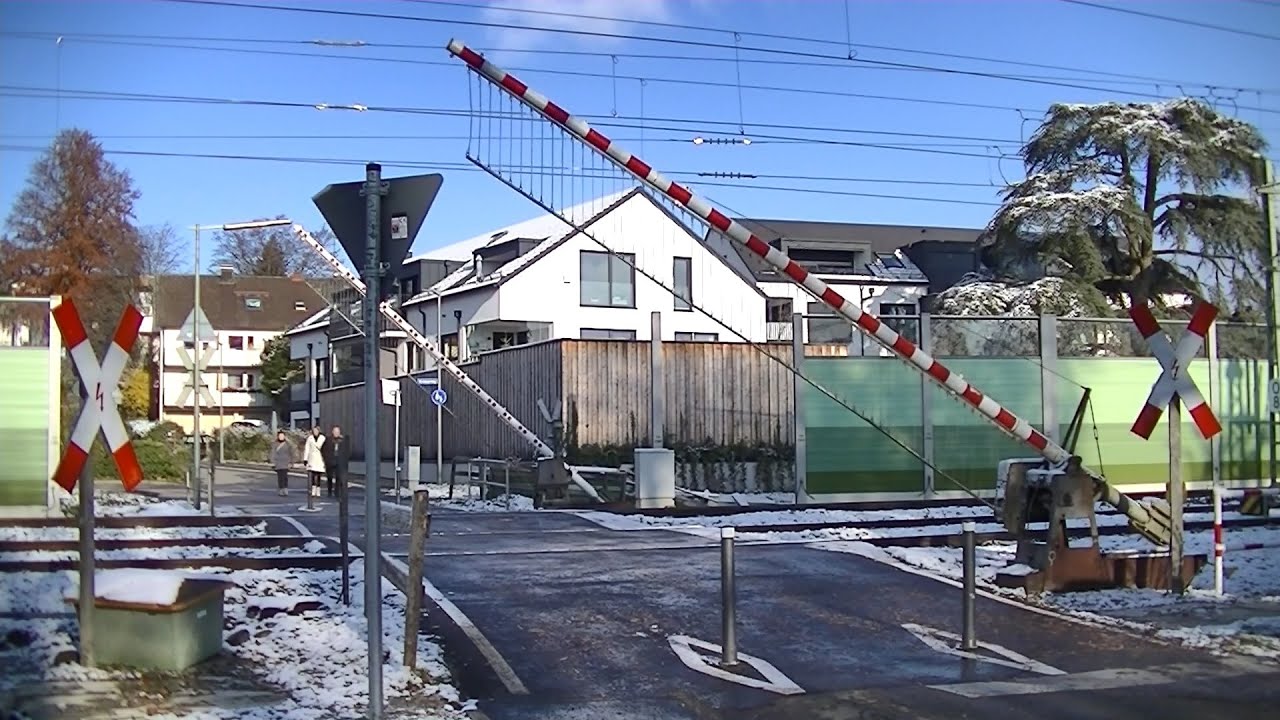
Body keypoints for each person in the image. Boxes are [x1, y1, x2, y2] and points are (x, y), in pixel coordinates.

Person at [322, 425, 350, 498]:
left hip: (339, 461)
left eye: (337, 432)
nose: (336, 433)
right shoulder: (328, 440)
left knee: (338, 477)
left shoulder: (343, 440)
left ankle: (337, 492)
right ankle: (329, 491)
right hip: (330, 461)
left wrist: (345, 459)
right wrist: (326, 459)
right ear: (332, 432)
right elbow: (323, 450)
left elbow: (347, 451)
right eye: (335, 431)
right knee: (330, 477)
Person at [303, 426, 327, 498]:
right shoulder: (310, 438)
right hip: (312, 458)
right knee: (312, 475)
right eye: (314, 431)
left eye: (316, 431)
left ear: (319, 431)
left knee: (319, 475)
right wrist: (305, 459)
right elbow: (307, 448)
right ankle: (313, 489)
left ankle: (318, 489)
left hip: (320, 458)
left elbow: (325, 448)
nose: (315, 432)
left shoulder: (323, 438)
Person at [271, 430, 295, 496]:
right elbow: (273, 453)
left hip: (286, 462)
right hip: (278, 462)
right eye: (280, 436)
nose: (281, 437)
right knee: (280, 477)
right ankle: (281, 489)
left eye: (282, 436)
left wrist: (291, 462)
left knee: (285, 477)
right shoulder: (275, 444)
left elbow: (291, 453)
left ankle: (285, 488)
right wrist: (273, 462)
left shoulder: (288, 444)